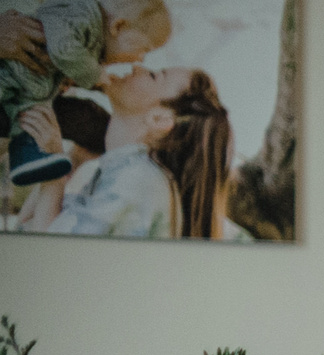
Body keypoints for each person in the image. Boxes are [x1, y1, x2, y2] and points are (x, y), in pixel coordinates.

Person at [13, 61, 225, 238]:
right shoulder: (126, 173)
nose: (137, 67)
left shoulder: (136, 179)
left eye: (153, 76)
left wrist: (54, 167)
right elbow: (26, 225)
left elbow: (50, 251)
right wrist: (71, 161)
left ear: (159, 119)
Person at [0, 0, 166, 186]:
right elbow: (63, 50)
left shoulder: (93, 40)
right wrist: (93, 74)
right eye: (144, 49)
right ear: (118, 26)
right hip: (11, 74)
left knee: (30, 119)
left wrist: (88, 79)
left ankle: (27, 157)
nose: (140, 60)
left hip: (28, 89)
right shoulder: (82, 18)